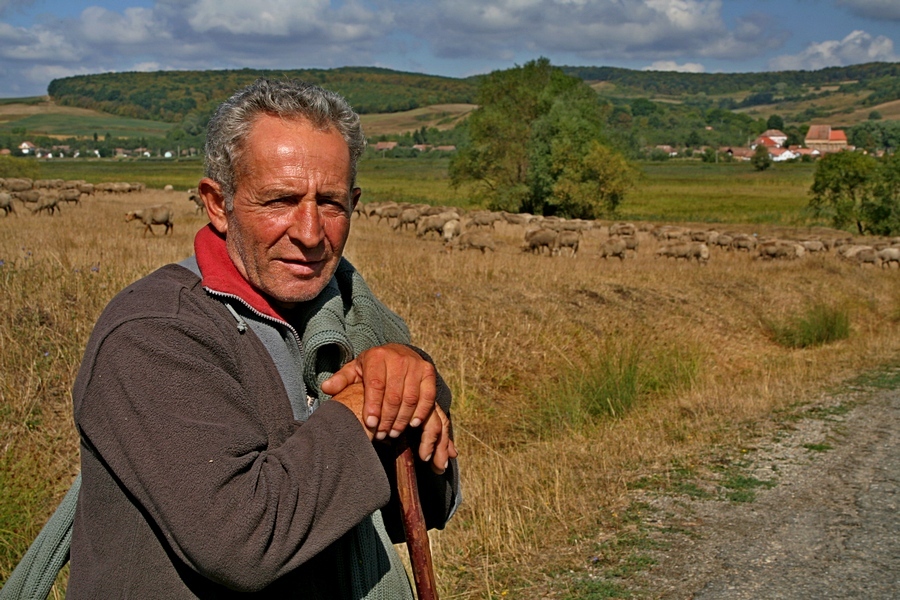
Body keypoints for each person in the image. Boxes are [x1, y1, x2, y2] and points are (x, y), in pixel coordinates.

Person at [66, 78, 460, 598]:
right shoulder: (154, 335)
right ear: (217, 203)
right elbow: (243, 541)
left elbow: (428, 504)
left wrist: (412, 377)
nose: (311, 232)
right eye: (280, 200)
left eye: (333, 204)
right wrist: (365, 403)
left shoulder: (351, 317)